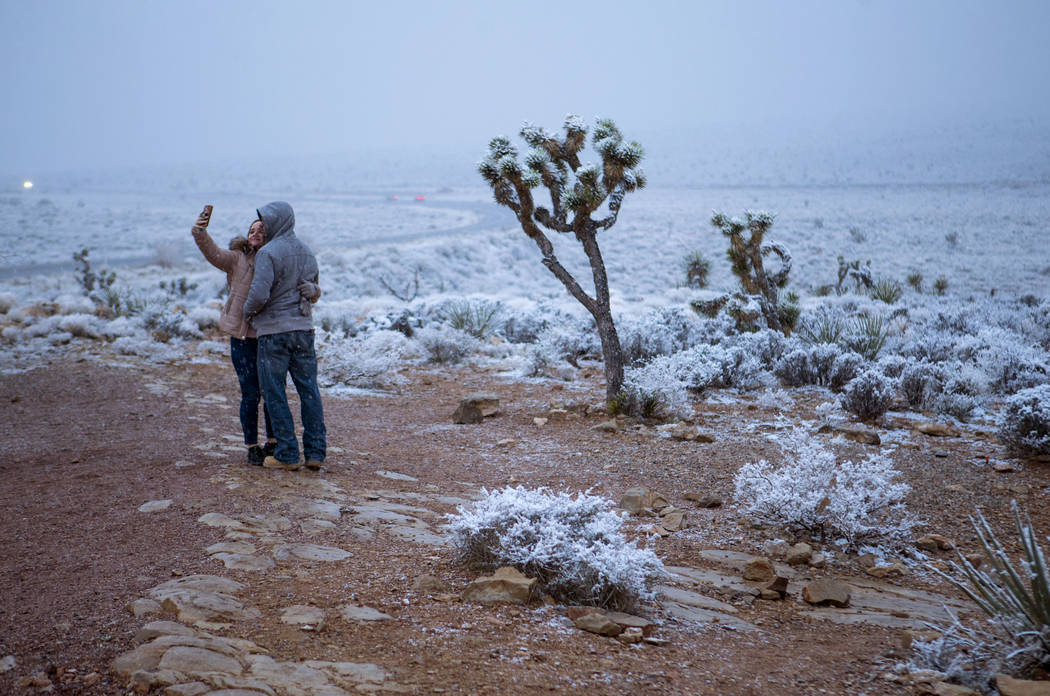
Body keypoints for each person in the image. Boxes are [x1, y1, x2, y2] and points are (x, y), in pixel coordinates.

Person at [243, 201, 327, 471]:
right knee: (309, 392)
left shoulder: (268, 253)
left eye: (266, 221)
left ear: (278, 221)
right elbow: (314, 290)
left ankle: (288, 454)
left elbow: (258, 294)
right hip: (304, 330)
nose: (264, 226)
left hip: (274, 334)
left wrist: (248, 313)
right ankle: (315, 453)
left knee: (275, 393)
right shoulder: (307, 251)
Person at [190, 208, 277, 465]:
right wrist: (200, 231)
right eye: (252, 230)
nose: (256, 233)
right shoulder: (237, 258)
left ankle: (273, 442)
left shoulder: (275, 258)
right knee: (250, 394)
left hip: (269, 336)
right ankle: (252, 446)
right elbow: (213, 252)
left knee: (272, 391)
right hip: (241, 338)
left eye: (261, 230)